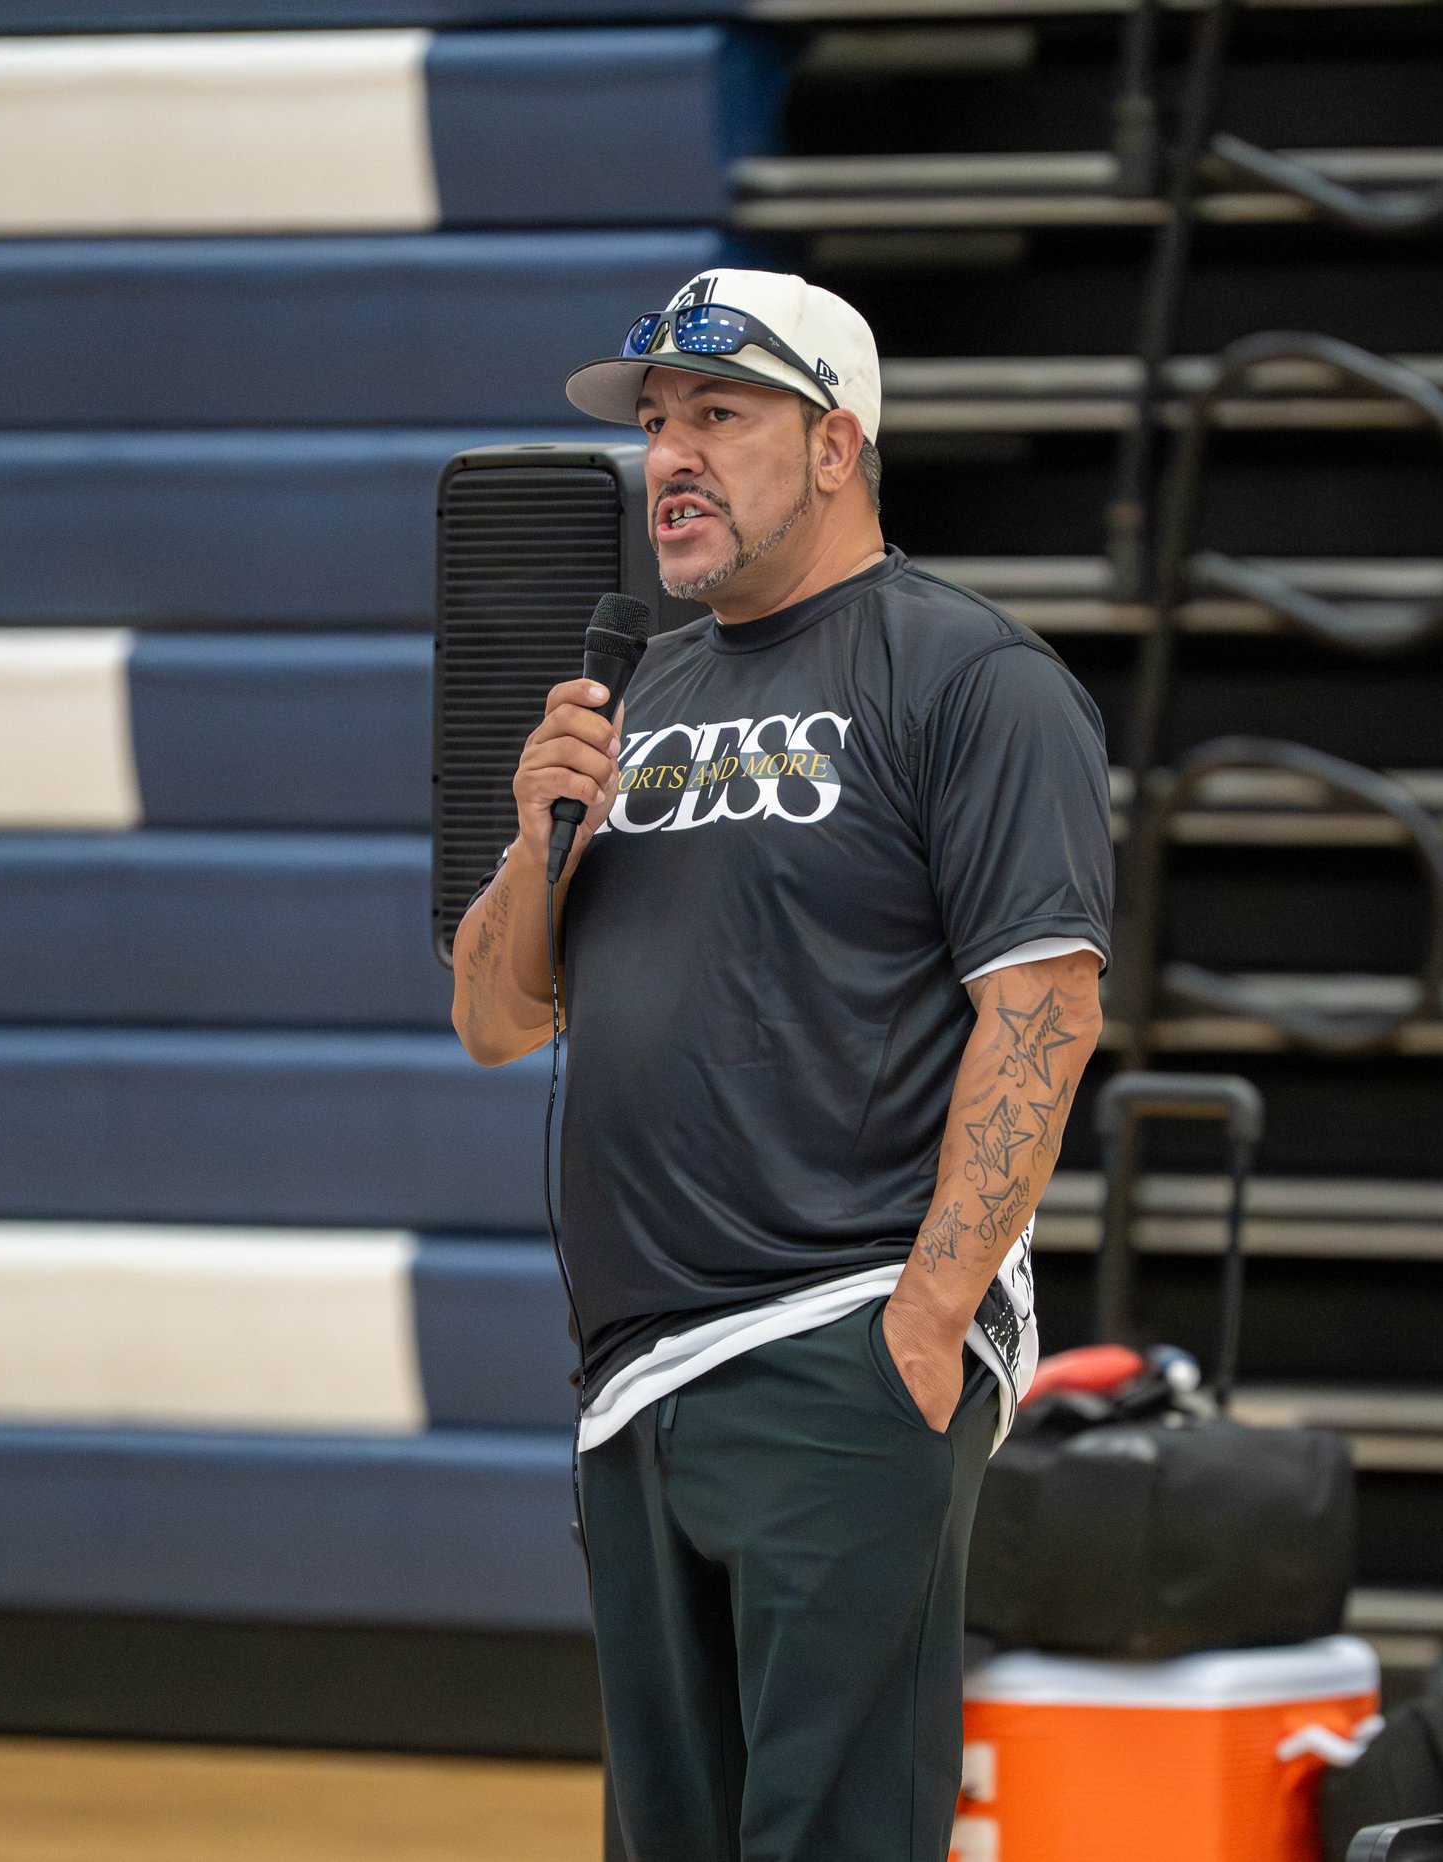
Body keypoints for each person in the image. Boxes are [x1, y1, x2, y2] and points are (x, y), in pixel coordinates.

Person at [450, 268, 1114, 1862]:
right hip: (636, 1380)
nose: (671, 453)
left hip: (841, 1343)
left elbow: (1044, 1011)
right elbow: (495, 1015)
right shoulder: (635, 701)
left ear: (834, 443)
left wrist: (929, 1320)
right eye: (658, 422)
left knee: (830, 1834)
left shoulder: (972, 677)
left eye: (719, 415)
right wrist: (545, 833)